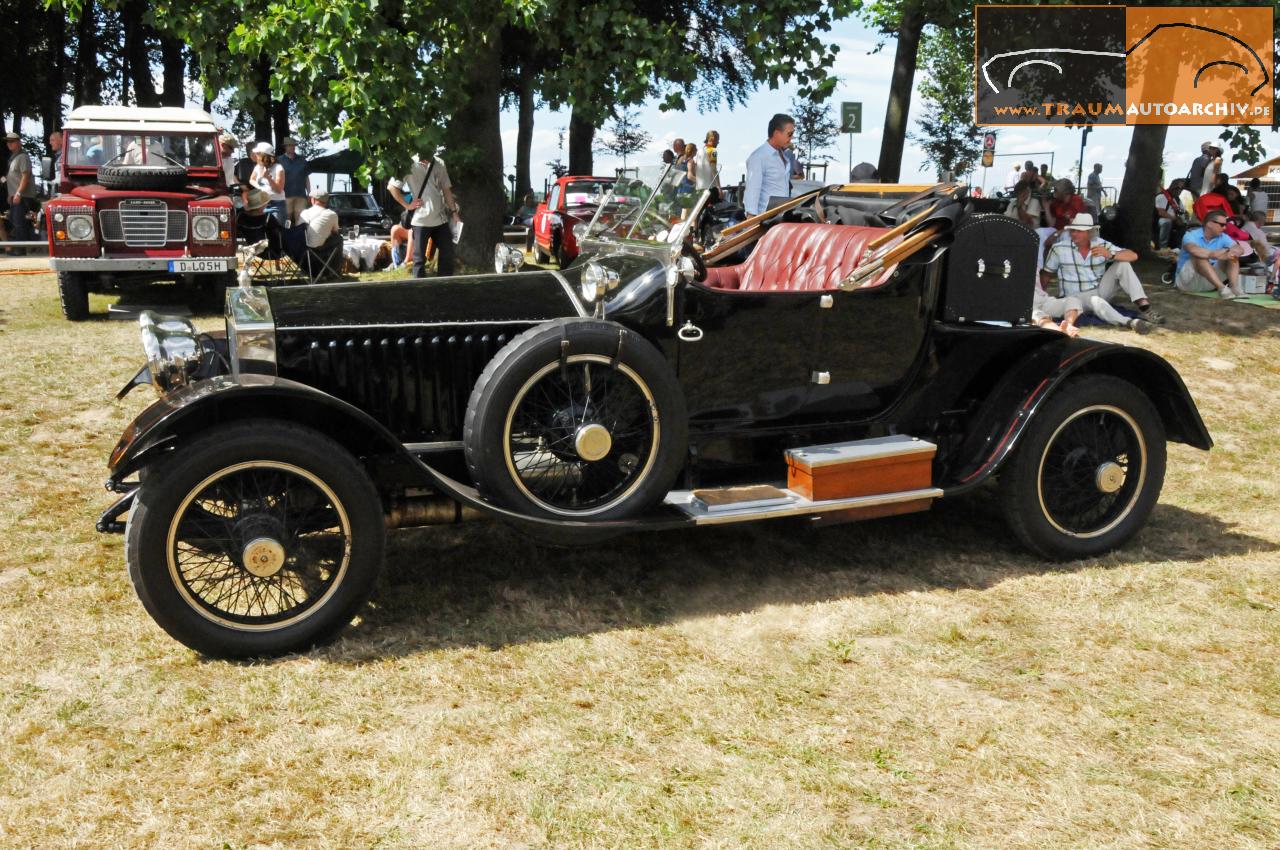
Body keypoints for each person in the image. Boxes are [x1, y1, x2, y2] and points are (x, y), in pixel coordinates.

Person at [1040, 213, 1163, 333]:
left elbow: (1133, 256)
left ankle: (1145, 307)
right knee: (1095, 301)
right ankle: (1130, 322)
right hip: (1074, 296)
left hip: (1099, 290)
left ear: (1089, 233)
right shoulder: (1059, 248)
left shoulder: (1101, 244)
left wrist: (1110, 254)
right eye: (1073, 230)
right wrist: (1041, 297)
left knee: (1123, 264)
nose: (1074, 233)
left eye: (1079, 231)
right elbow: (1046, 274)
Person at [388, 149, 460, 278]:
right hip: (420, 220)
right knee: (419, 260)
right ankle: (419, 291)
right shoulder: (408, 162)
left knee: (447, 254)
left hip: (440, 218)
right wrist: (407, 205)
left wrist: (454, 212)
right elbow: (392, 187)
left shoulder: (439, 162)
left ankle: (446, 287)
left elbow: (446, 190)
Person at [1175, 210, 1245, 298]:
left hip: (1210, 282)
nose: (1224, 228)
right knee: (1199, 257)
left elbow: (1240, 249)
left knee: (1233, 257)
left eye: (1225, 225)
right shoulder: (1190, 235)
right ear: (1209, 224)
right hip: (1187, 283)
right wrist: (1214, 254)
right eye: (1222, 225)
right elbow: (1194, 250)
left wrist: (1228, 251)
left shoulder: (1223, 236)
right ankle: (1222, 288)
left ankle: (1234, 287)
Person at [743, 113, 795, 216]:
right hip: (764, 221)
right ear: (776, 133)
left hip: (781, 219)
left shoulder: (784, 157)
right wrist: (751, 220)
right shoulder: (758, 157)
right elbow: (752, 191)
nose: (791, 138)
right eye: (789, 134)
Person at [4, 132, 36, 242]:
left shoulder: (23, 157)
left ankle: (21, 249)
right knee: (16, 221)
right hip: (16, 196)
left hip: (23, 196)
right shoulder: (13, 158)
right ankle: (29, 246)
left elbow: (25, 176)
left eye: (12, 141)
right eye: (8, 141)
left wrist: (18, 193)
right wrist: (11, 194)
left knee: (19, 222)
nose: (9, 143)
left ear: (19, 142)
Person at [248, 142, 287, 224]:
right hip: (261, 203)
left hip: (276, 204)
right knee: (261, 231)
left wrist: (268, 178)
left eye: (258, 153)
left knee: (277, 232)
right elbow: (251, 179)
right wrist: (260, 188)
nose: (256, 155)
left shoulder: (278, 168)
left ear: (264, 156)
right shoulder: (258, 166)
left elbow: (279, 190)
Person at [280, 137, 308, 225]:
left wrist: (309, 191)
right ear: (285, 147)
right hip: (285, 194)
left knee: (300, 218)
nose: (292, 147)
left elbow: (306, 177)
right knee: (287, 218)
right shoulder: (279, 160)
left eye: (293, 145)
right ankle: (286, 237)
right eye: (289, 145)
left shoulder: (302, 160)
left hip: (300, 194)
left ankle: (299, 237)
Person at [1155, 178, 1188, 249]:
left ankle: (1179, 249)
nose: (1180, 190)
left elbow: (1183, 211)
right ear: (1173, 186)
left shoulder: (1177, 199)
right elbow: (1161, 212)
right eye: (1179, 188)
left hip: (1176, 221)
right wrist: (1175, 219)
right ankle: (1162, 248)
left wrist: (1185, 218)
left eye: (1182, 188)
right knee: (1166, 222)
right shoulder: (1161, 196)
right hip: (1161, 221)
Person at [694, 131, 719, 196]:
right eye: (717, 140)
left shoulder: (699, 151)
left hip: (699, 188)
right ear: (712, 139)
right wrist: (719, 188)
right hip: (710, 188)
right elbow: (714, 169)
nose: (718, 142)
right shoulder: (712, 151)